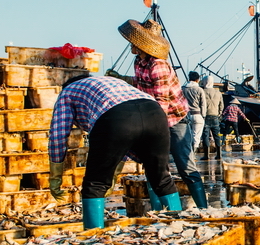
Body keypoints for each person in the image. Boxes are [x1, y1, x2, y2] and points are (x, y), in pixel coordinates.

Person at [48, 74, 180, 229]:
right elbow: (122, 143)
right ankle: (179, 227)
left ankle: (94, 237)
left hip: (115, 118)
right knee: (162, 179)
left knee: (95, 184)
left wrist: (55, 176)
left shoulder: (67, 92)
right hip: (155, 113)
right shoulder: (111, 83)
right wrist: (112, 174)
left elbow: (58, 135)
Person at [108, 18, 208, 208]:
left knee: (186, 167)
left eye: (133, 43)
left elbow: (161, 102)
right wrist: (121, 79)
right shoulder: (139, 62)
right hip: (153, 118)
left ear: (142, 45)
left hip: (174, 121)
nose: (131, 45)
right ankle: (160, 212)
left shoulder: (158, 65)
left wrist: (152, 131)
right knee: (154, 169)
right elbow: (140, 84)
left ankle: (204, 209)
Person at [200, 74, 224, 159]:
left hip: (205, 116)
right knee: (217, 136)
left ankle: (206, 155)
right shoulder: (218, 93)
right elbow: (222, 105)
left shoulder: (202, 91)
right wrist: (219, 113)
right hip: (215, 117)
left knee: (205, 136)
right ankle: (219, 154)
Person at [182, 71, 207, 152]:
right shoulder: (199, 90)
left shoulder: (183, 89)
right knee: (196, 137)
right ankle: (193, 155)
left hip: (186, 115)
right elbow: (203, 104)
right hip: (197, 115)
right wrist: (203, 115)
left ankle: (186, 153)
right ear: (197, 80)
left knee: (186, 136)